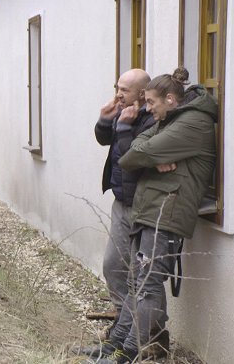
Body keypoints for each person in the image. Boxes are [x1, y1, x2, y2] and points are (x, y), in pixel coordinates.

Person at [95, 67, 217, 363]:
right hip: (150, 207)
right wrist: (148, 154)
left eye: (151, 103)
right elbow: (134, 151)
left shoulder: (192, 123)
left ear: (171, 99)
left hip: (166, 211)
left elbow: (136, 156)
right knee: (137, 281)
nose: (148, 110)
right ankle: (117, 346)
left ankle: (130, 351)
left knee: (146, 284)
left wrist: (149, 155)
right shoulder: (169, 118)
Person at [93, 69, 155, 334]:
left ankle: (146, 332)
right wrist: (106, 121)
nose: (118, 94)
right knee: (112, 264)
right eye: (117, 88)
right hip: (121, 200)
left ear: (142, 93)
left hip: (141, 204)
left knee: (138, 272)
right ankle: (122, 316)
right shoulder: (123, 111)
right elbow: (105, 140)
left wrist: (125, 126)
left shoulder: (152, 118)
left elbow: (133, 159)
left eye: (124, 90)